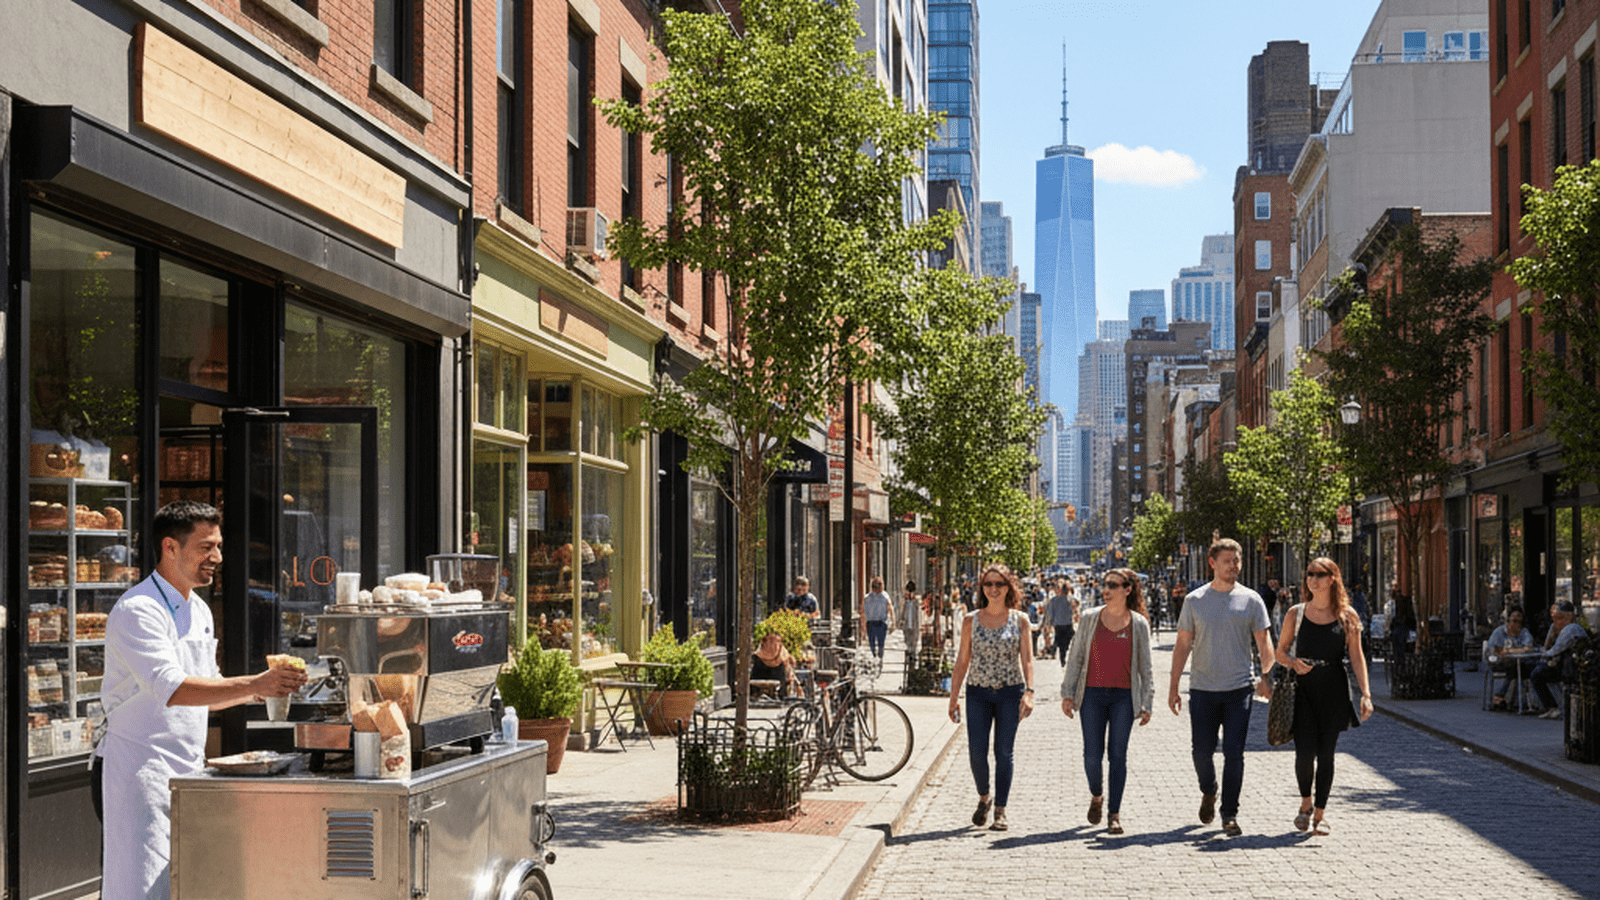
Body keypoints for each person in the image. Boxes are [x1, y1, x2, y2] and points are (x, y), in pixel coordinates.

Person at [99, 501, 306, 900]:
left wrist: (265, 689)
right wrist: (257, 683)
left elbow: (207, 693)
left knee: (187, 886)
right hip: (141, 773)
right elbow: (174, 689)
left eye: (219, 546)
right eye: (206, 547)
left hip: (190, 773)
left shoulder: (200, 608)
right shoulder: (138, 609)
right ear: (170, 548)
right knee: (140, 891)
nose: (218, 558)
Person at [1167, 538, 1275, 837]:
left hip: (1239, 689)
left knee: (1234, 753)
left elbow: (1265, 644)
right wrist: (1174, 685)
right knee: (1201, 752)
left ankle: (1229, 814)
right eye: (1227, 560)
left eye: (1237, 560)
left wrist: (1267, 677)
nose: (1233, 566)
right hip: (1202, 689)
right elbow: (1182, 645)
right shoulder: (1195, 600)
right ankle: (1209, 789)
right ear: (1212, 563)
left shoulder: (1252, 600)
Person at [1274, 557, 1373, 836]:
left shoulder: (1347, 616)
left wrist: (1366, 694)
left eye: (1319, 574)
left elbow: (1356, 655)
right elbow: (1279, 651)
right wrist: (1293, 663)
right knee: (1305, 753)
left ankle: (1319, 815)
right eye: (1309, 574)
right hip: (1303, 689)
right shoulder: (1297, 613)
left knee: (1327, 754)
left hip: (1334, 689)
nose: (1313, 579)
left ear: (1332, 579)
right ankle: (1305, 803)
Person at [1060, 568, 1154, 835]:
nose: (1107, 589)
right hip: (1092, 695)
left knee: (1118, 755)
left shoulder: (1138, 624)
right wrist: (1068, 692)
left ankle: (1114, 813)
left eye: (1113, 585)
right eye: (1105, 584)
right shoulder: (1090, 618)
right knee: (1091, 755)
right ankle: (1097, 795)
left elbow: (1146, 667)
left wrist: (1147, 702)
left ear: (1127, 590)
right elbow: (1076, 656)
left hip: (1124, 697)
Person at [947, 563, 1035, 832]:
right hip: (978, 693)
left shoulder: (1020, 620)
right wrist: (953, 697)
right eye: (989, 584)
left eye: (999, 584)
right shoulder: (970, 620)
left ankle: (1000, 811)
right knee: (976, 753)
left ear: (1008, 588)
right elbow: (962, 661)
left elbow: (1028, 660)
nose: (994, 589)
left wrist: (1029, 692)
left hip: (1010, 692)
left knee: (1003, 752)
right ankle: (984, 797)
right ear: (981, 588)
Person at [1530, 600, 1586, 719]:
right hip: (1562, 664)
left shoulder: (1571, 629)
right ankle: (1549, 706)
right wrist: (1552, 632)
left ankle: (1551, 706)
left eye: (1559, 617)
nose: (1556, 621)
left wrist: (1541, 653)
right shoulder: (1558, 627)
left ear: (1568, 616)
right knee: (1536, 669)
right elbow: (1547, 646)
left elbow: (1555, 650)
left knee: (1536, 673)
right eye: (1554, 617)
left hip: (1567, 668)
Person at [1486, 605, 1536, 710]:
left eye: (1519, 622)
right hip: (1498, 663)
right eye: (1514, 621)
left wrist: (1509, 651)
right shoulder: (1499, 632)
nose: (1516, 624)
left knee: (1519, 668)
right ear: (1508, 621)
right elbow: (1496, 651)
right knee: (1517, 669)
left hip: (1517, 663)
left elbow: (1529, 648)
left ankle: (1502, 697)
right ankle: (1515, 701)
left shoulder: (1524, 633)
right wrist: (1516, 651)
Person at [752, 631, 799, 696]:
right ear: (764, 642)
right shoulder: (757, 657)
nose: (775, 645)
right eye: (771, 641)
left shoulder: (783, 656)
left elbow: (789, 670)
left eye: (778, 642)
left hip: (779, 693)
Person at [1047, 579, 1077, 665]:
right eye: (1056, 587)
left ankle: (1064, 654)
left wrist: (1069, 591)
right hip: (1059, 625)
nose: (1058, 589)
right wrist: (1051, 625)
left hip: (1068, 623)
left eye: (1060, 587)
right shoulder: (1053, 600)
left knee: (1068, 641)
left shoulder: (1069, 598)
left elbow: (1076, 604)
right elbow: (1051, 613)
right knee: (1061, 643)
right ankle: (1062, 658)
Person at [862, 576, 894, 659]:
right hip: (871, 623)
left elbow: (890, 608)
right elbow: (863, 611)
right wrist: (863, 624)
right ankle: (875, 657)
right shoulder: (868, 598)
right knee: (872, 643)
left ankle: (879, 658)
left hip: (881, 622)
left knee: (880, 643)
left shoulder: (884, 596)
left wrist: (892, 621)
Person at [901, 581, 923, 658]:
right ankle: (909, 653)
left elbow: (918, 615)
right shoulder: (906, 602)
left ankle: (912, 655)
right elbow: (903, 613)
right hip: (907, 625)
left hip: (914, 625)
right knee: (907, 641)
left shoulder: (916, 602)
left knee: (914, 642)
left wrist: (919, 626)